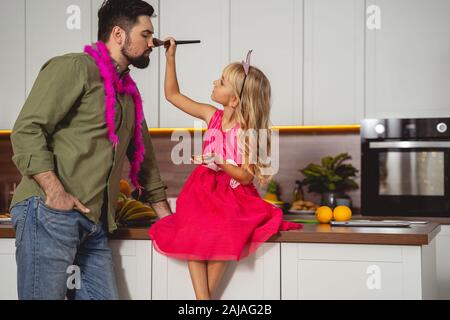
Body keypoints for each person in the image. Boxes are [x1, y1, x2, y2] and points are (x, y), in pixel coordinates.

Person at [9, 0, 171, 300]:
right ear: (119, 34)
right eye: (146, 35)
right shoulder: (75, 67)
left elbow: (144, 159)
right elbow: (27, 129)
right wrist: (54, 191)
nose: (152, 43)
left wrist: (166, 216)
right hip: (49, 213)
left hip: (94, 222)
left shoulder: (128, 94)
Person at [148, 38, 302, 300]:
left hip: (233, 195)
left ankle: (202, 302)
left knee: (224, 232)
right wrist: (170, 57)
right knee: (191, 232)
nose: (214, 83)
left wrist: (220, 161)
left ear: (234, 99)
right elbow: (172, 95)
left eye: (221, 82)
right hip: (202, 189)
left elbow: (244, 176)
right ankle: (203, 300)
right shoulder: (211, 115)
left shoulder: (247, 133)